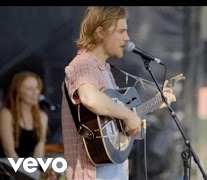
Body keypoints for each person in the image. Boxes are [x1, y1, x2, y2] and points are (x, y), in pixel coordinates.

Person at [61, 6, 176, 180]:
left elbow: (114, 121)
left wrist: (156, 102)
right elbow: (90, 98)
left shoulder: (104, 70)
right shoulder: (83, 64)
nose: (127, 38)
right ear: (100, 33)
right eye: (121, 31)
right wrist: (128, 117)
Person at [0, 71, 48, 158]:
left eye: (37, 87)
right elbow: (9, 152)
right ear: (18, 91)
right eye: (29, 88)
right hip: (7, 168)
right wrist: (24, 171)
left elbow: (39, 151)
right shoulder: (6, 114)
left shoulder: (42, 117)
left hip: (27, 168)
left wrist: (38, 170)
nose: (35, 92)